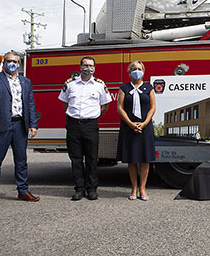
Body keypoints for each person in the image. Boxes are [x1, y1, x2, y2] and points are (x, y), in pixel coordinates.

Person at [0, 51, 40, 209]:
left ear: (19, 64)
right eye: (8, 61)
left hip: (20, 126)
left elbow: (30, 104)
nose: (11, 63)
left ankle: (23, 191)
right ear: (3, 63)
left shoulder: (25, 82)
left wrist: (33, 124)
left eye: (14, 61)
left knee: (21, 162)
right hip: (0, 126)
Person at [58, 56, 112, 201]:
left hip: (91, 125)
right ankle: (79, 189)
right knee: (76, 159)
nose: (88, 68)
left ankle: (92, 189)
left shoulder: (100, 85)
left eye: (91, 65)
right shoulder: (70, 84)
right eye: (85, 65)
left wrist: (91, 116)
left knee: (92, 159)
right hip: (73, 125)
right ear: (80, 66)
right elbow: (65, 103)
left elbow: (104, 106)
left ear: (95, 67)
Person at [116, 61, 156, 201]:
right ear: (129, 72)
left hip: (145, 128)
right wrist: (131, 124)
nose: (136, 71)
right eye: (134, 69)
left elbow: (152, 107)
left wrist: (144, 123)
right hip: (128, 127)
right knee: (132, 159)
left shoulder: (149, 88)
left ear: (143, 72)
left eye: (139, 69)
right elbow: (120, 108)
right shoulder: (124, 88)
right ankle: (133, 187)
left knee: (145, 159)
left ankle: (143, 188)